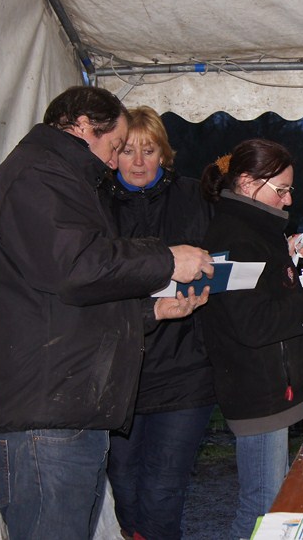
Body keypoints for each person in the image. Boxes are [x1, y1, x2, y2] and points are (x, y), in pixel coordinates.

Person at [0, 86, 214, 540]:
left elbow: (65, 302)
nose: (116, 160)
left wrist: (153, 311)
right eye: (116, 146)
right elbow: (77, 268)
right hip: (43, 417)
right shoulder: (39, 176)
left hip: (58, 409)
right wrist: (165, 260)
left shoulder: (51, 176)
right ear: (82, 127)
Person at [197, 138, 303, 539]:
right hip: (257, 392)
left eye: (289, 191)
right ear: (248, 184)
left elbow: (262, 302)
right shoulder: (238, 237)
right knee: (262, 507)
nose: (287, 201)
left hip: (269, 389)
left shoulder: (255, 232)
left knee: (271, 501)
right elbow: (254, 324)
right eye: (280, 190)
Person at [106, 106, 217, 540]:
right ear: (111, 155)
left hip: (185, 368)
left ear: (164, 155)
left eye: (148, 150)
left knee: (163, 487)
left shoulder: (194, 197)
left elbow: (225, 253)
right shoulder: (92, 203)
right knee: (124, 482)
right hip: (119, 372)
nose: (137, 161)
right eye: (127, 150)